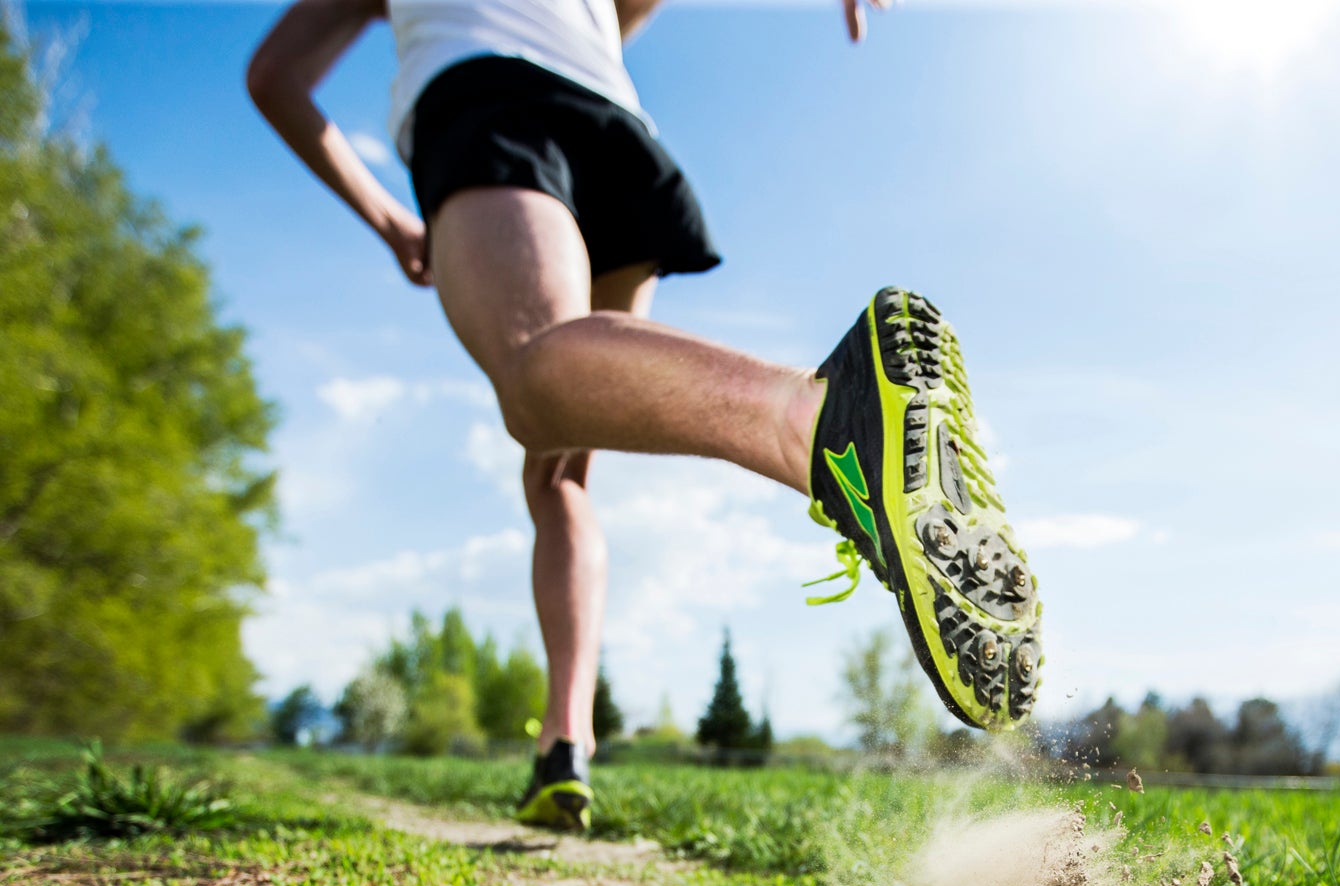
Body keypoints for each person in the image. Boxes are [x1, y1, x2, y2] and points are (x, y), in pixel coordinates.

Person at [247, 0, 1042, 829]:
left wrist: (388, 220)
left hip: (487, 102)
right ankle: (566, 743)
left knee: (533, 374)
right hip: (612, 125)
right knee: (560, 465)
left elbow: (276, 78)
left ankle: (817, 421)